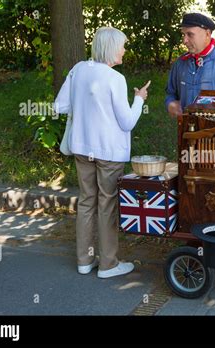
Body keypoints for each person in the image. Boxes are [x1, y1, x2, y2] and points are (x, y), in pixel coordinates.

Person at [55, 27, 151, 278]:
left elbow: (61, 106)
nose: (124, 50)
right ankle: (108, 264)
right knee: (107, 205)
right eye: (122, 46)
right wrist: (140, 99)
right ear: (111, 48)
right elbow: (127, 122)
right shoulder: (114, 78)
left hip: (81, 148)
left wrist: (86, 106)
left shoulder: (78, 70)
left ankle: (84, 261)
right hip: (108, 151)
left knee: (86, 202)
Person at [165, 13, 215, 117]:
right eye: (183, 34)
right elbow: (171, 93)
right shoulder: (180, 63)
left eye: (190, 34)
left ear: (207, 34)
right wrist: (170, 104)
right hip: (187, 131)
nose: (184, 41)